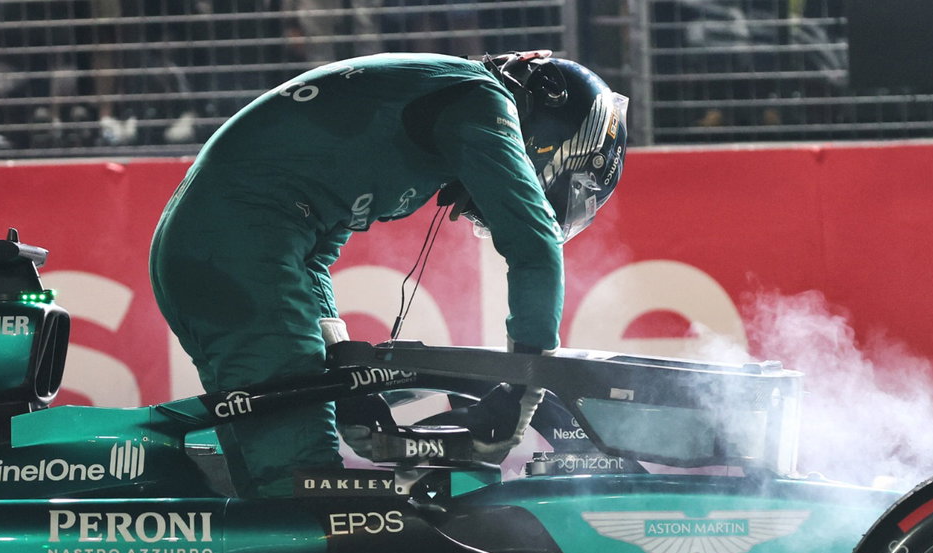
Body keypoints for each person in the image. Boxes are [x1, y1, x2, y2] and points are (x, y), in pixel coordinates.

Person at [149, 51, 628, 498]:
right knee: (300, 488)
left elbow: (312, 255)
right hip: (240, 245)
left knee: (263, 479)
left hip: (210, 246)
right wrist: (523, 401)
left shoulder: (435, 90)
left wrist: (342, 366)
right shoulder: (480, 100)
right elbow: (535, 244)